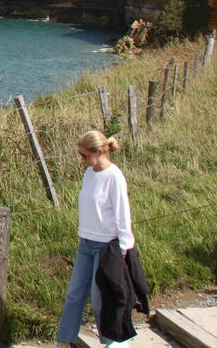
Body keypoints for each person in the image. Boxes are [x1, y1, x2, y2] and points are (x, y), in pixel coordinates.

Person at [55, 131, 135, 348]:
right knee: (74, 294)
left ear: (99, 152)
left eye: (84, 155)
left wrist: (124, 247)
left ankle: (112, 341)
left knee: (100, 298)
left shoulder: (114, 177)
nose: (82, 160)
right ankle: (64, 341)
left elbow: (122, 213)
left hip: (106, 246)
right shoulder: (89, 173)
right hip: (86, 243)